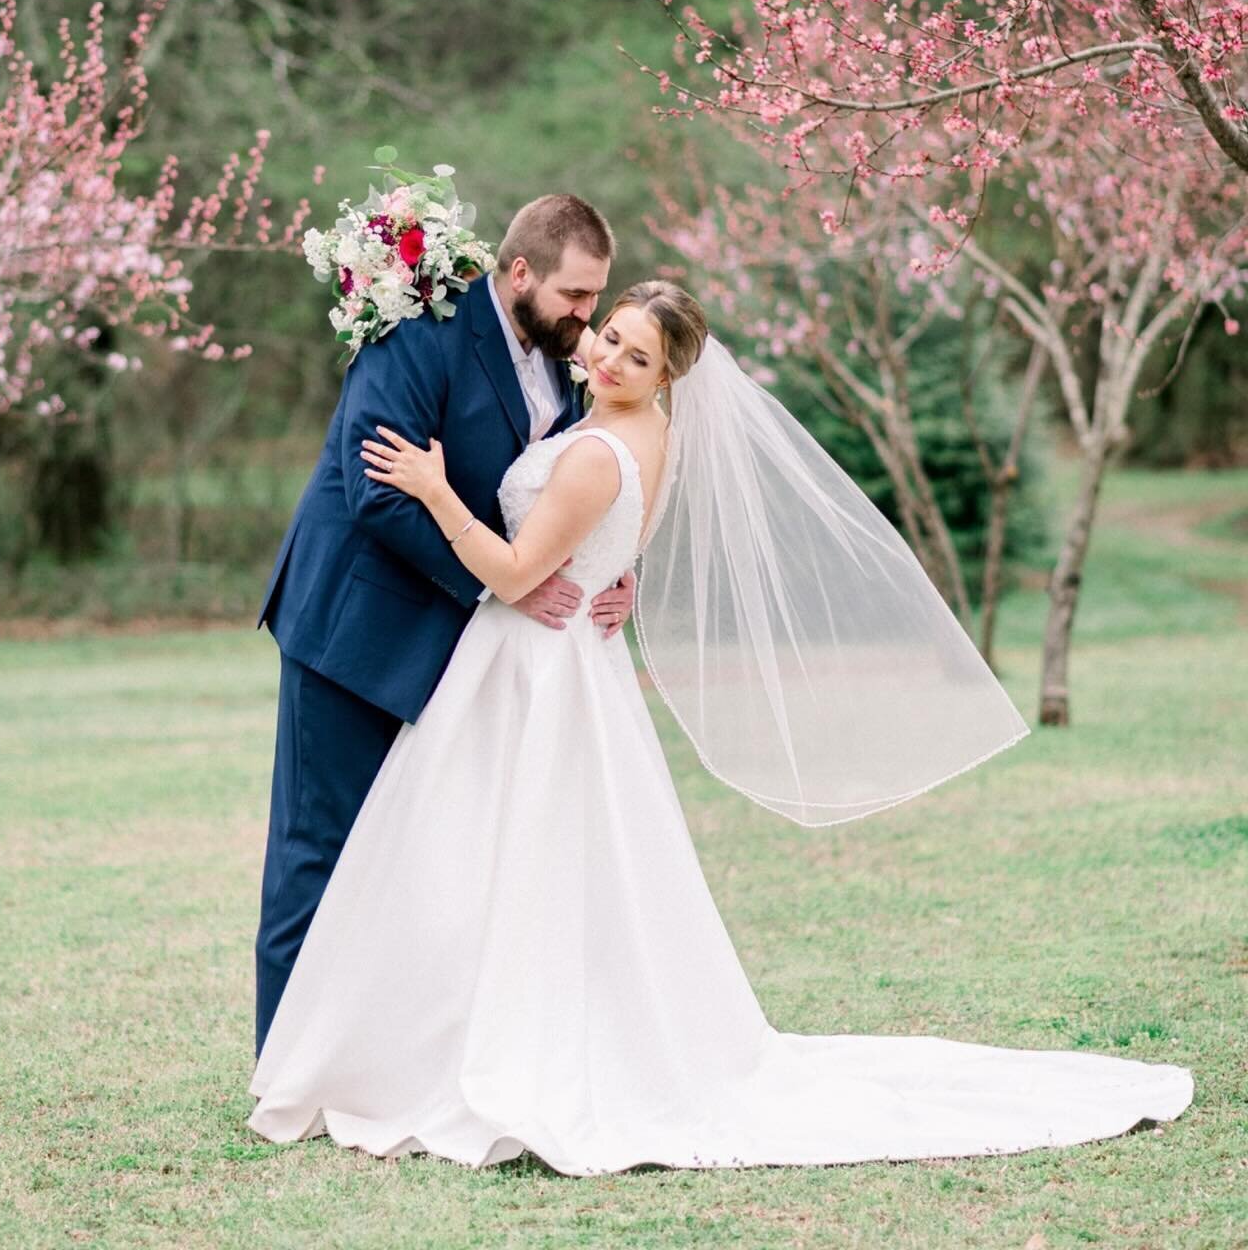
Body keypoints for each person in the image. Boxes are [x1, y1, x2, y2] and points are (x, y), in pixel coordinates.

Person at [247, 279, 1193, 1174]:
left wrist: (432, 484)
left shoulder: (592, 449)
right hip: (562, 668)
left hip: (534, 669)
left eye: (638, 356)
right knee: (518, 869)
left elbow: (513, 573)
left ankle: (479, 1056)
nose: (611, 357)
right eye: (611, 335)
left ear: (669, 378)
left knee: (494, 862)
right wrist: (614, 575)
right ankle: (464, 1035)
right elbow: (606, 539)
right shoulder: (642, 433)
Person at [253, 194, 635, 1057]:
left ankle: (385, 1056)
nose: (589, 317)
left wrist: (612, 567)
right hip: (353, 626)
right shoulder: (420, 333)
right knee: (321, 848)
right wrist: (502, 586)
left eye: (597, 297)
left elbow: (569, 487)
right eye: (577, 296)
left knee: (420, 856)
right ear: (520, 271)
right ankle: (284, 1062)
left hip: (458, 647)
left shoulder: (564, 361)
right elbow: (377, 492)